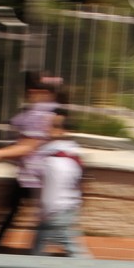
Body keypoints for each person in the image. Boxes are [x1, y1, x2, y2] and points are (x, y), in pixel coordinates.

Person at [0, 71, 62, 250]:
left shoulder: (40, 115)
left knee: (42, 214)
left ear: (35, 91)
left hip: (38, 175)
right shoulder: (47, 110)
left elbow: (28, 146)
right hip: (35, 172)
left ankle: (61, 250)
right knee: (14, 207)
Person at [30, 108, 90, 259]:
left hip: (57, 214)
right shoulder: (64, 153)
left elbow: (55, 190)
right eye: (49, 124)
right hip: (59, 213)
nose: (48, 128)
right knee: (37, 253)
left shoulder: (59, 159)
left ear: (64, 131)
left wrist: (48, 213)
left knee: (76, 254)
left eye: (54, 126)